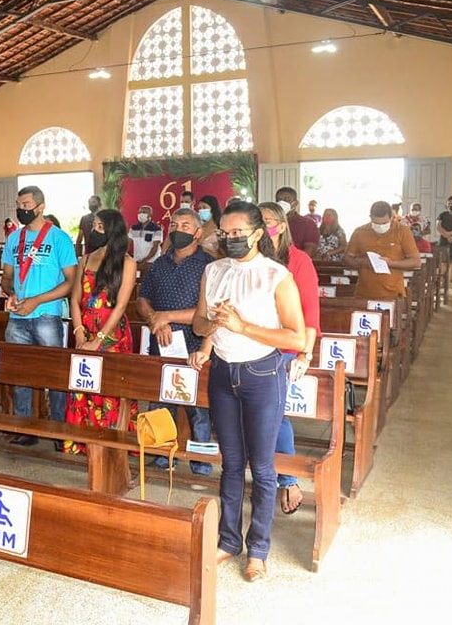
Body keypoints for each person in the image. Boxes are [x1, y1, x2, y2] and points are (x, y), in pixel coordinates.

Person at [189, 201, 306, 583]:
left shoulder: (276, 275)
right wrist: (213, 325)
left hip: (262, 374)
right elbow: (198, 323)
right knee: (232, 463)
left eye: (238, 232)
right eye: (225, 233)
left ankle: (258, 549)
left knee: (263, 466)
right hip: (223, 372)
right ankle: (229, 540)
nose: (230, 239)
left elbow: (296, 337)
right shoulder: (213, 270)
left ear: (258, 233)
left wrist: (242, 327)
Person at [137, 208, 215, 475]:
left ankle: (202, 462)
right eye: (174, 224)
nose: (178, 229)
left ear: (198, 232)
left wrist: (167, 316)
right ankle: (162, 456)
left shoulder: (209, 266)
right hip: (162, 344)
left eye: (185, 225)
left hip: (196, 346)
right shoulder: (159, 263)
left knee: (199, 409)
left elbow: (209, 312)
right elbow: (143, 299)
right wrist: (155, 320)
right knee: (160, 402)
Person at [1, 185, 78, 444]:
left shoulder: (59, 238)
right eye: (18, 205)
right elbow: (7, 277)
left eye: (26, 205)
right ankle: (25, 429)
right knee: (20, 374)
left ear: (40, 207)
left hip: (47, 315)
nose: (21, 210)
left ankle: (58, 432)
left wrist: (37, 301)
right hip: (17, 318)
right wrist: (11, 293)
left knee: (54, 375)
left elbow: (70, 282)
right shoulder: (14, 239)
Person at [260, 202, 321, 515]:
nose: (262, 227)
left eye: (267, 222)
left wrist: (304, 354)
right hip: (251, 347)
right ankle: (265, 473)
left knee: (275, 415)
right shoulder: (250, 259)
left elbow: (310, 312)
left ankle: (288, 479)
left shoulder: (298, 260)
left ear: (282, 226)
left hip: (284, 348)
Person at [64, 209, 137, 454]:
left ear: (113, 230)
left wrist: (99, 339)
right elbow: (75, 299)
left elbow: (121, 306)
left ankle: (111, 445)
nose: (94, 230)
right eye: (93, 225)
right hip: (84, 327)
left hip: (112, 333)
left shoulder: (127, 262)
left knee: (110, 388)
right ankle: (82, 442)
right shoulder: (85, 259)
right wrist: (79, 332)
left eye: (99, 226)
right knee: (83, 385)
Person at [344, 201, 421, 299]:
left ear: (391, 217)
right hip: (364, 293)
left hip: (393, 294)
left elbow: (416, 262)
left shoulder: (402, 231)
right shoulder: (360, 232)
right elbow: (346, 259)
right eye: (376, 223)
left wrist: (391, 263)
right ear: (370, 217)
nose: (380, 226)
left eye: (384, 223)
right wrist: (363, 262)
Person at [275, 187, 319, 257]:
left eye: (287, 200)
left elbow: (309, 251)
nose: (282, 203)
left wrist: (289, 261)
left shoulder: (308, 224)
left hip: (296, 262)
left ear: (295, 203)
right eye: (279, 200)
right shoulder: (270, 223)